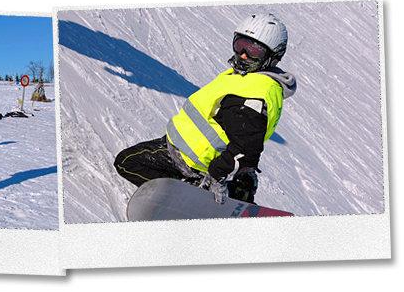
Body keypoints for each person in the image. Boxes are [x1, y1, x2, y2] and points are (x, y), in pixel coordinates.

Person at [114, 13, 297, 204]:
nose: (243, 54)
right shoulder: (250, 79)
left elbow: (246, 147)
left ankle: (194, 193)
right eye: (240, 44)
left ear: (272, 56)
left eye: (254, 51)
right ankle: (236, 187)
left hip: (192, 162)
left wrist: (218, 174)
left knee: (127, 163)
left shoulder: (254, 93)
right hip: (182, 150)